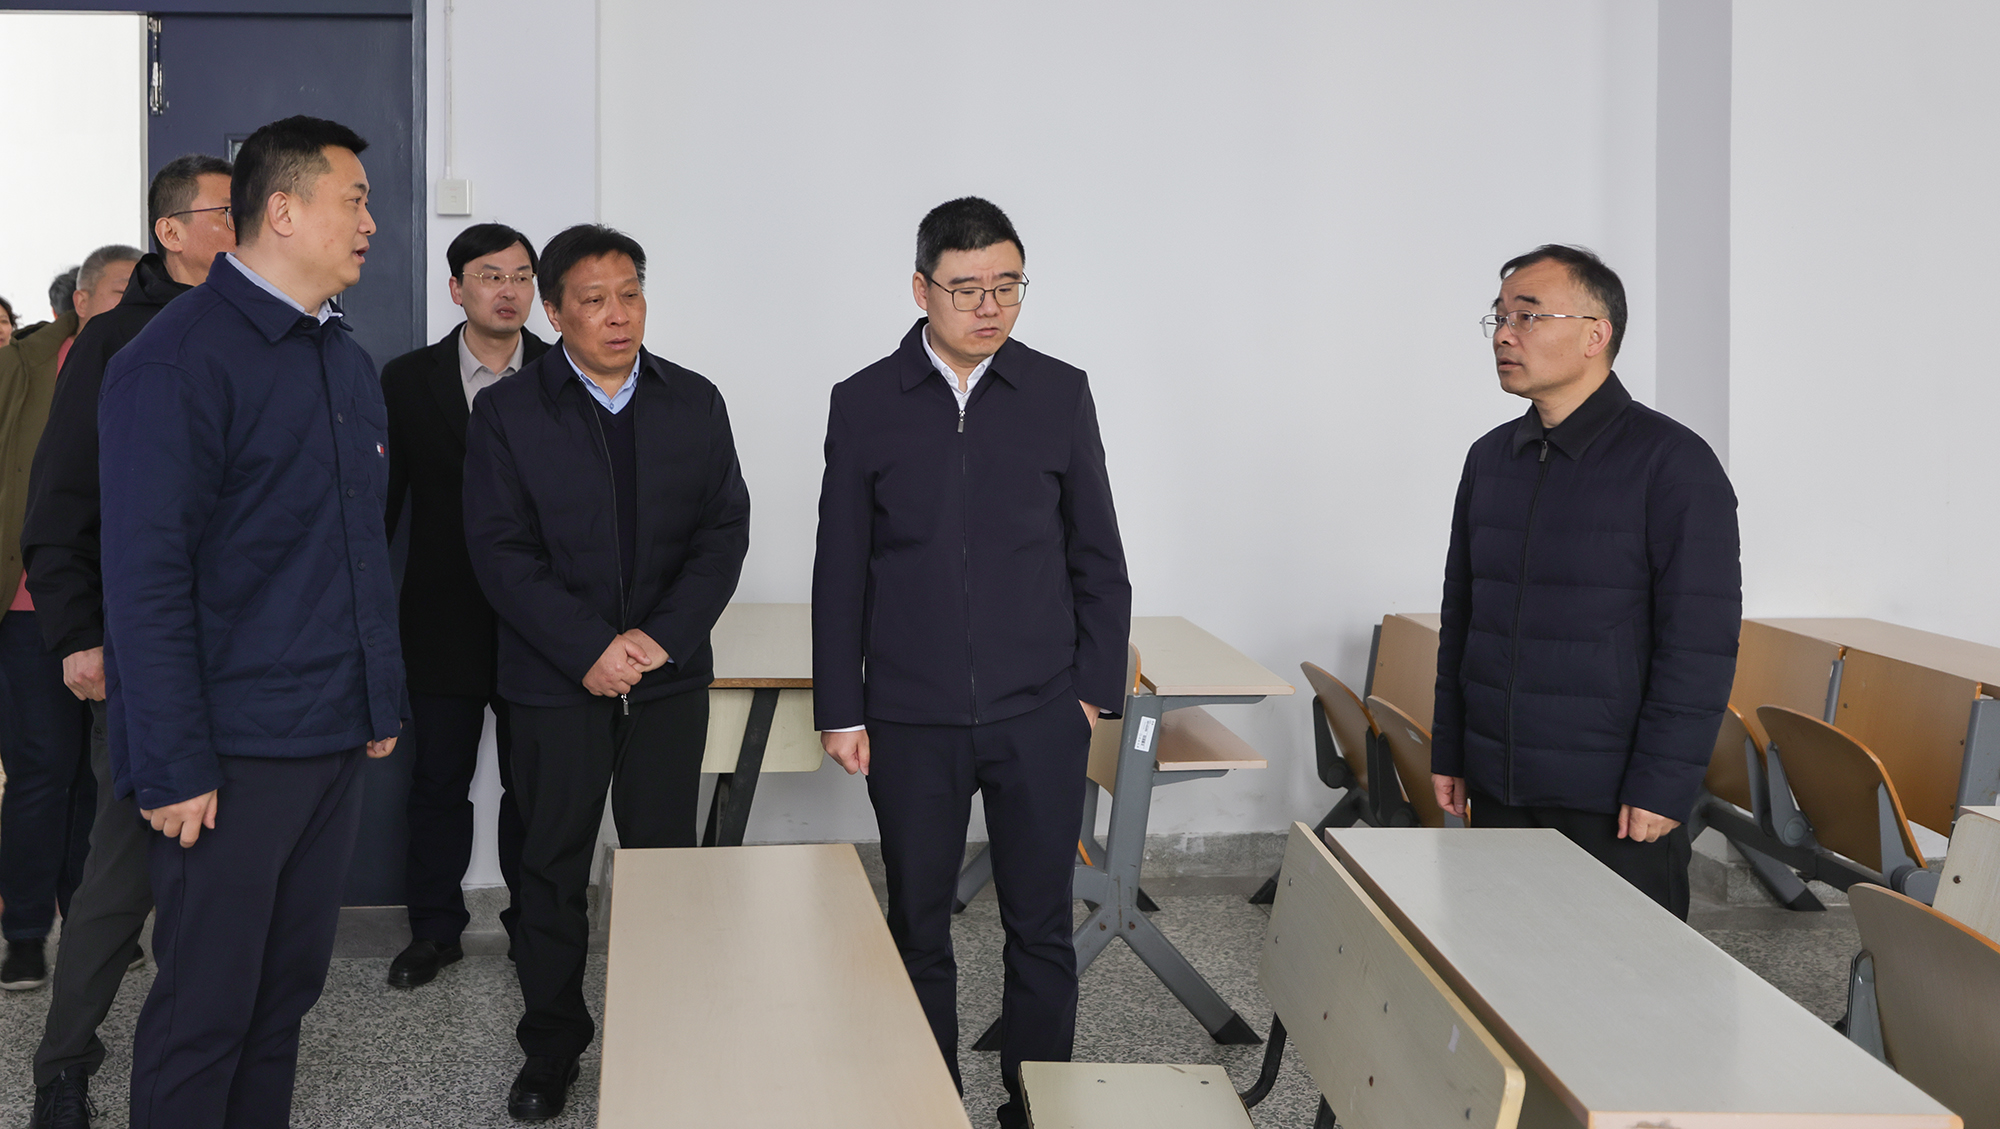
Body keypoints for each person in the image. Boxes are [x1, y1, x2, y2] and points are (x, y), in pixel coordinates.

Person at [99, 116, 403, 1129]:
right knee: (206, 1011)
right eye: (354, 200)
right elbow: (144, 579)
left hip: (328, 735)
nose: (369, 222)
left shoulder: (341, 360)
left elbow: (353, 544)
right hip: (227, 756)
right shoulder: (177, 359)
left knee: (283, 999)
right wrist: (173, 763)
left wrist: (377, 695)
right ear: (282, 210)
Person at [811, 196, 1131, 1129]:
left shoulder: (1059, 393)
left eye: (1007, 286)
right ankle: (929, 1102)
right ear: (921, 288)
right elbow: (840, 568)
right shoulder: (865, 402)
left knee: (1041, 928)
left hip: (1040, 713)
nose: (990, 307)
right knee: (919, 926)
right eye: (966, 288)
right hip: (910, 716)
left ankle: (1035, 1108)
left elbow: (1098, 555)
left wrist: (1089, 697)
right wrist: (842, 705)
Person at [463, 222, 749, 1122]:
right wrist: (589, 647)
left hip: (667, 678)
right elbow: (500, 551)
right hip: (555, 680)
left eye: (630, 294)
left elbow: (723, 533)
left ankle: (664, 1033)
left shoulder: (693, 400)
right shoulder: (508, 413)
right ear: (554, 312)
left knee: (664, 862)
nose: (618, 314)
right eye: (594, 300)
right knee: (550, 867)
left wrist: (659, 639)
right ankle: (551, 1046)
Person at [1429, 244, 1741, 920]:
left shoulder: (1672, 463)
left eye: (1528, 315)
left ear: (1596, 335)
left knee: (1622, 973)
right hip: (1500, 783)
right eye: (1499, 317)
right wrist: (1451, 750)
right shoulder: (1491, 458)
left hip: (1613, 797)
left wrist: (1663, 783)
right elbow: (1464, 618)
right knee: (1501, 960)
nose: (1505, 334)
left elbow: (1700, 643)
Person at [19, 153, 234, 1128]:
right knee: (119, 875)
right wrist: (77, 633)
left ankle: (206, 1063)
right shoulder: (114, 341)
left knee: (231, 885)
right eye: (225, 212)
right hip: (145, 655)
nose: (244, 226)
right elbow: (61, 500)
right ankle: (62, 1068)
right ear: (171, 231)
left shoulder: (269, 328)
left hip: (251, 660)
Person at [380, 222, 548, 990]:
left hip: (540, 624)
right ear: (457, 289)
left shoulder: (563, 374)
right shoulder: (407, 380)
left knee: (535, 787)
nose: (508, 291)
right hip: (440, 617)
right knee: (437, 783)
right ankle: (434, 931)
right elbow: (382, 508)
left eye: (521, 276)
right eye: (490, 276)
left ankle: (533, 926)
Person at [0, 242, 141, 998]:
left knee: (102, 777)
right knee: (41, 772)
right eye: (120, 290)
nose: (133, 302)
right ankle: (25, 932)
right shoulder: (24, 368)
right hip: (32, 609)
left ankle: (97, 922)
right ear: (81, 301)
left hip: (119, 607)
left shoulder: (152, 360)